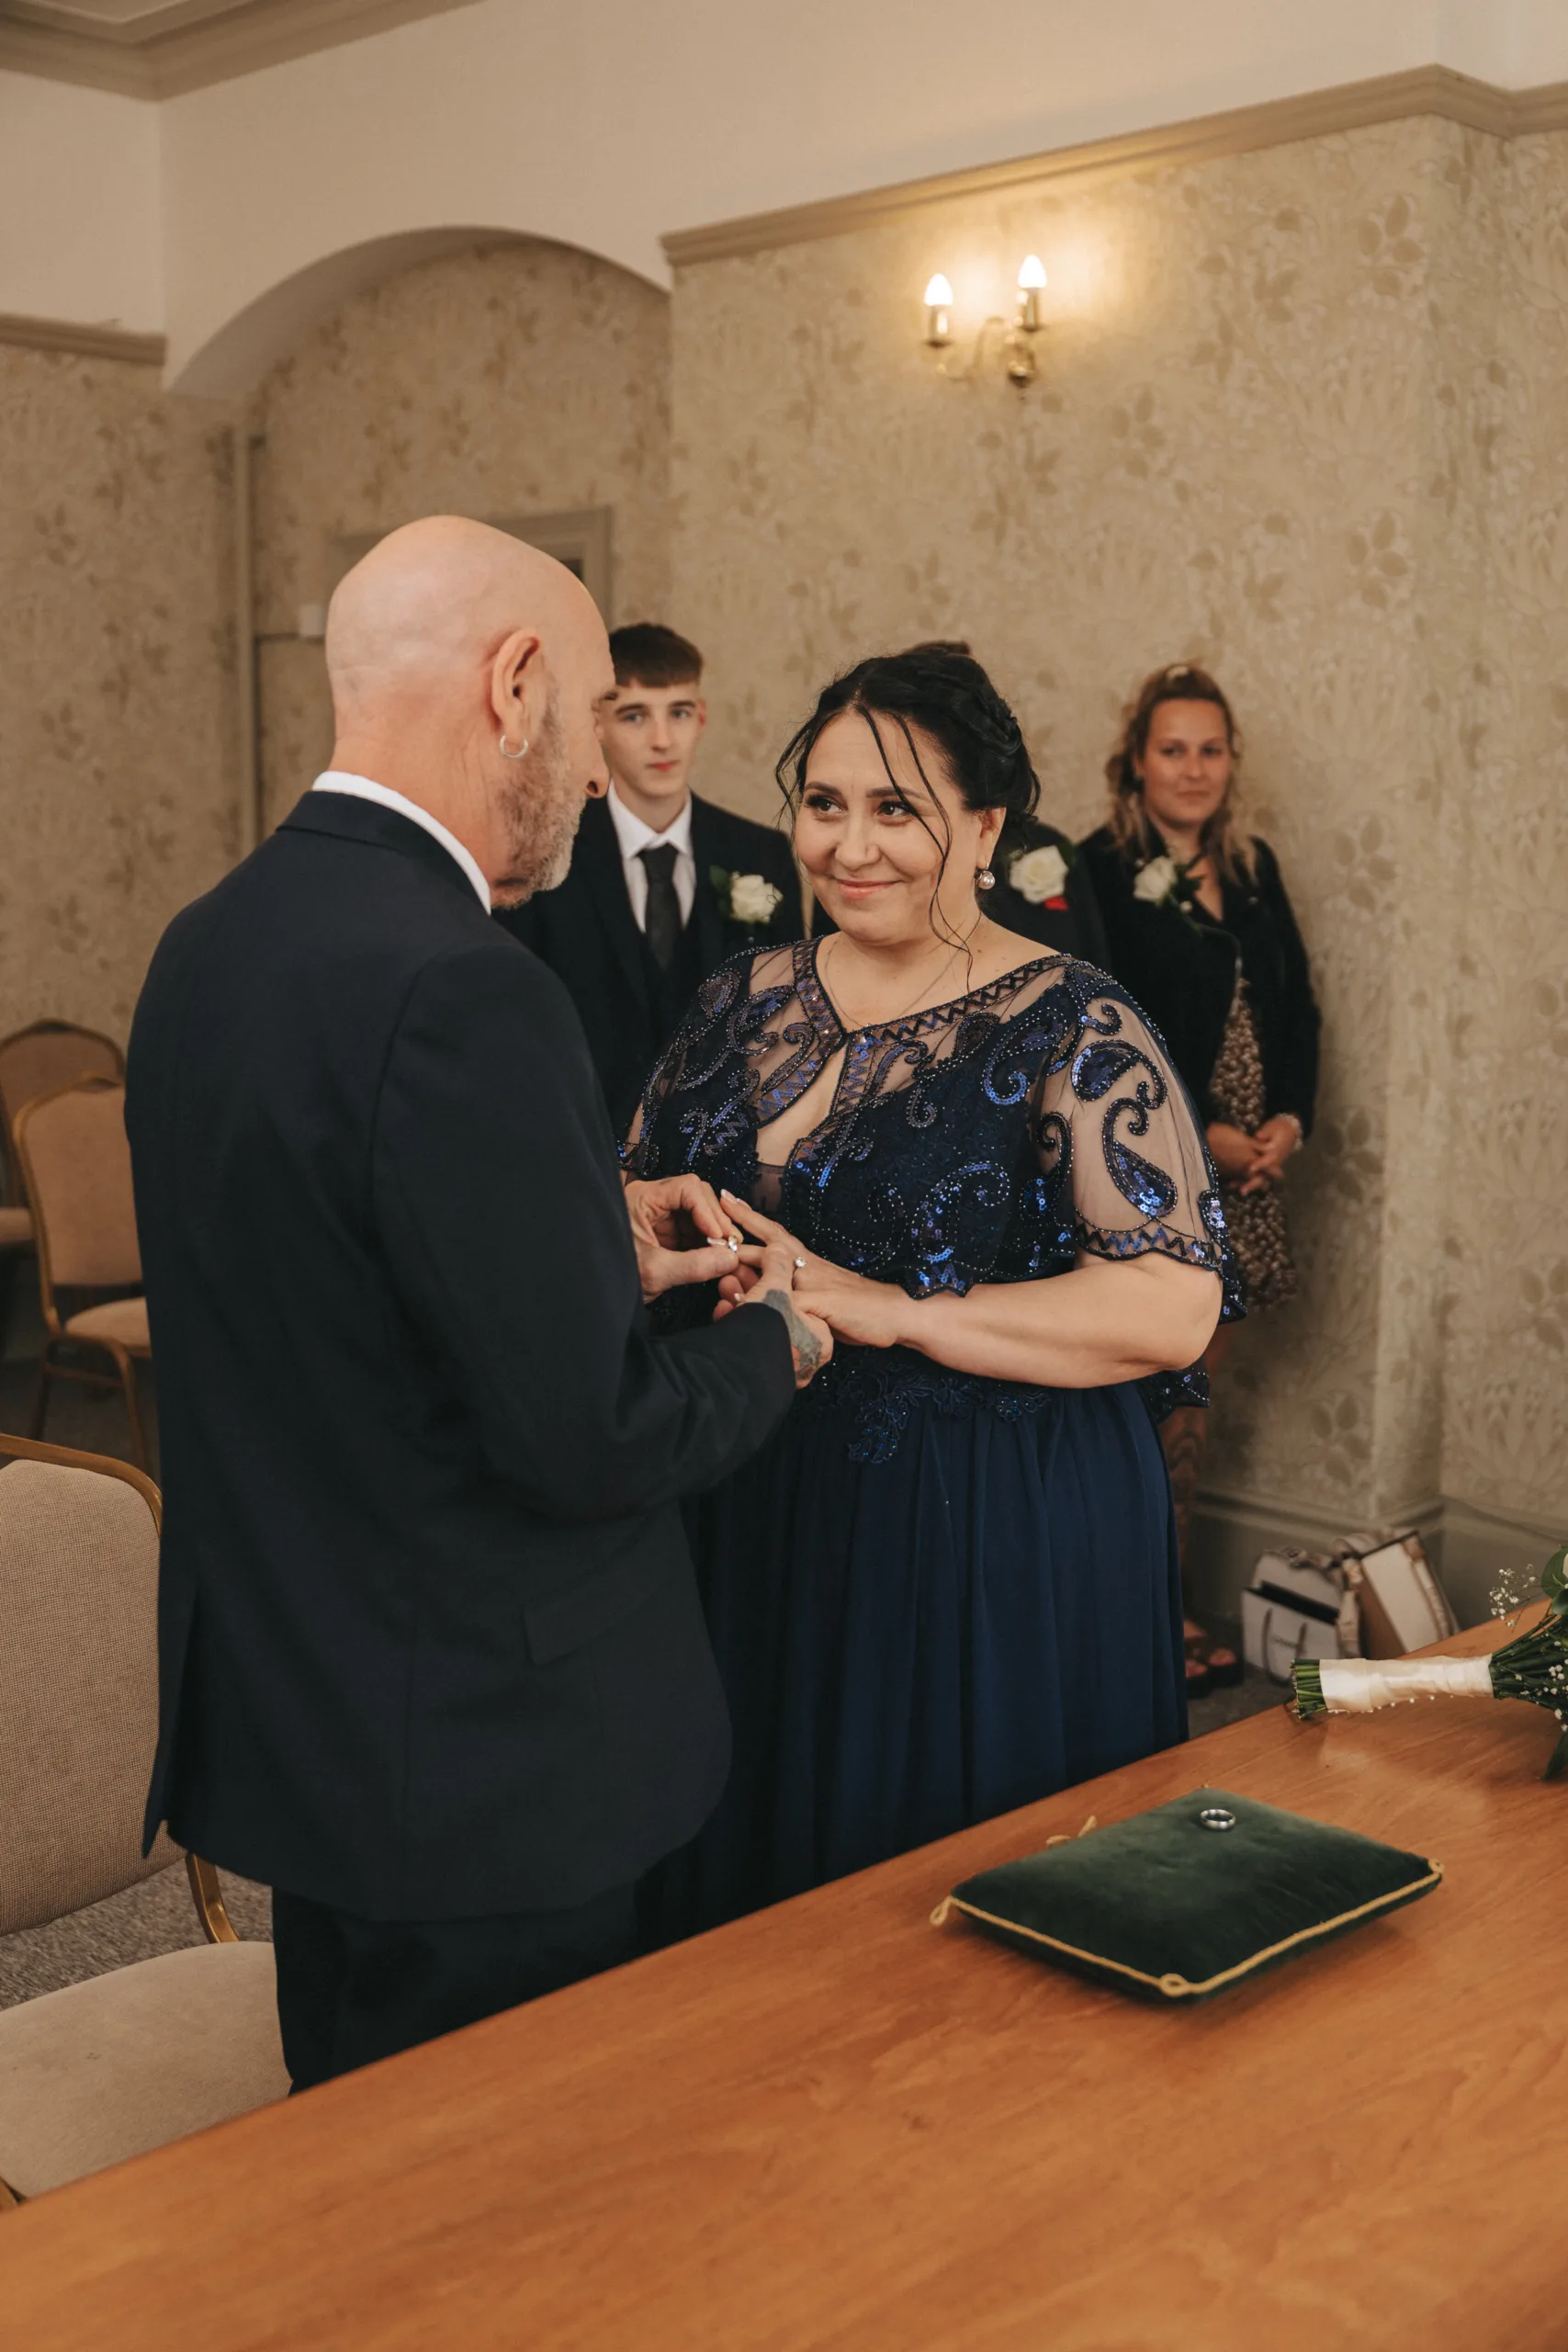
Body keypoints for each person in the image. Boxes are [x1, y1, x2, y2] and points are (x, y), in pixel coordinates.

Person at [126, 518, 829, 2090]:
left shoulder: (208, 943)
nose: (601, 771)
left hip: (311, 1719)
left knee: (358, 2199)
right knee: (511, 2249)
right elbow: (591, 1438)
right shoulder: (469, 984)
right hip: (490, 1767)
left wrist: (585, 1225)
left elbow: (328, 1283)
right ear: (513, 687)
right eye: (590, 719)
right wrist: (775, 1344)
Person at [626, 645, 1236, 1940]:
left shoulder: (1076, 1023)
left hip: (980, 1532)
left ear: (981, 826)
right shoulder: (741, 999)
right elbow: (640, 1184)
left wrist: (896, 1311)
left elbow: (1168, 1307)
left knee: (929, 1934)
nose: (851, 846)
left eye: (895, 809)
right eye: (827, 804)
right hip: (753, 1500)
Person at [1078, 663, 1320, 1690]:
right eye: (1171, 748)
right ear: (1137, 760)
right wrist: (1200, 1132)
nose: (1193, 769)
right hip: (1148, 1168)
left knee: (1193, 1401)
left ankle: (1161, 1607)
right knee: (1139, 1403)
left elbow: (1297, 1007)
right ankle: (1135, 1619)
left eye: (1210, 750)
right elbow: (1102, 1020)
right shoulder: (1095, 868)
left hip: (1247, 1178)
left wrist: (1285, 1123)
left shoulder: (1251, 867)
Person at [497, 622, 801, 1133]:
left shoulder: (760, 853)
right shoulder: (546, 851)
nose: (663, 740)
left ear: (700, 717)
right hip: (581, 1143)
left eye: (678, 713)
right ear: (598, 725)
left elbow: (788, 1016)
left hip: (722, 1148)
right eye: (634, 716)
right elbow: (518, 1020)